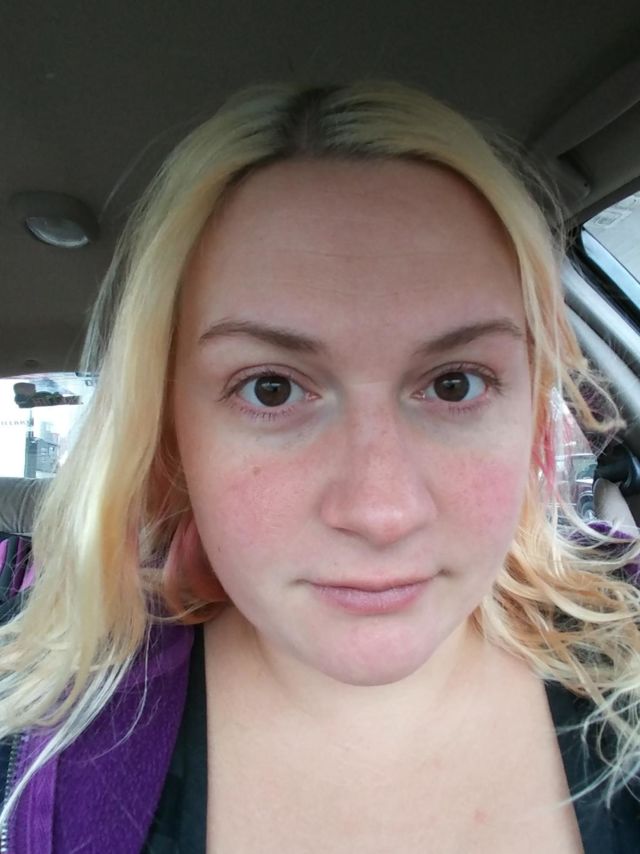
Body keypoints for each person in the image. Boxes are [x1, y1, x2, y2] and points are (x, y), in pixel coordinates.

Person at [1, 81, 639, 853]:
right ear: (172, 434)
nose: (381, 512)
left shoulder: (625, 644)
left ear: (534, 413)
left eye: (455, 384)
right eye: (270, 389)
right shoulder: (35, 710)